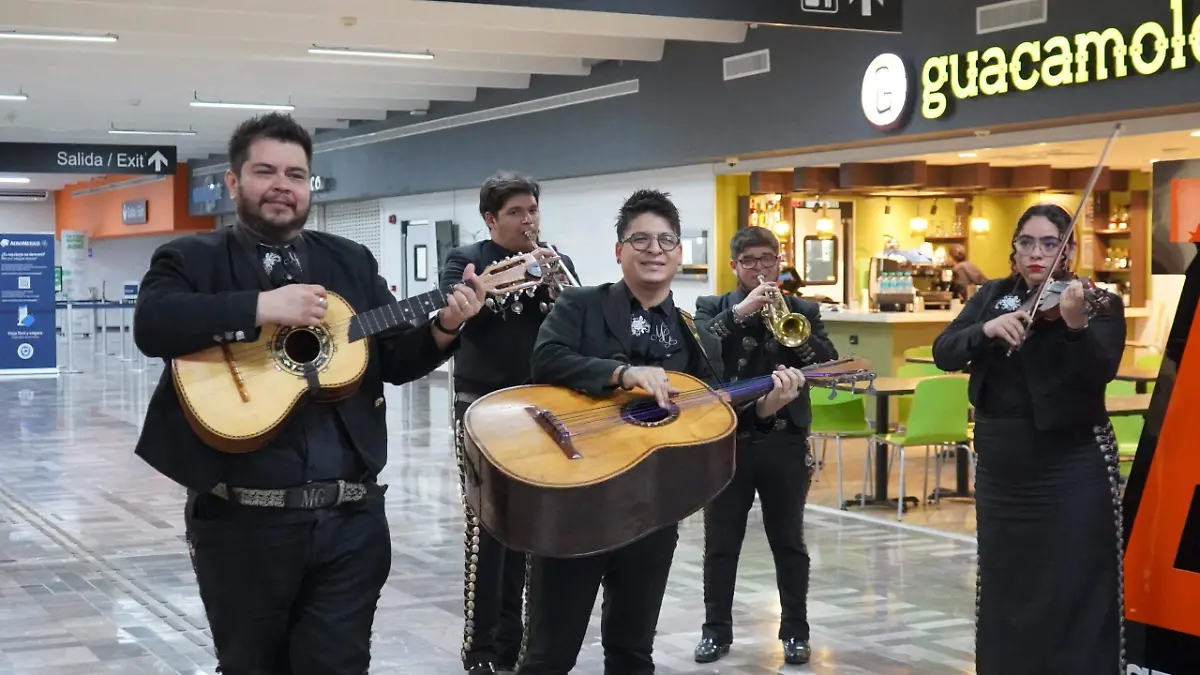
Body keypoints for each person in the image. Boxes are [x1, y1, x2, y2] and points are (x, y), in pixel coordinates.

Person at [132, 113, 485, 675]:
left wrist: (444, 327)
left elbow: (391, 359)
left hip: (351, 519)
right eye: (265, 171)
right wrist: (260, 307)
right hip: (243, 525)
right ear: (233, 182)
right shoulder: (192, 259)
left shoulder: (349, 260)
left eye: (296, 174)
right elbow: (153, 324)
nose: (282, 185)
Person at [516, 190, 806, 675]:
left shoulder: (696, 334)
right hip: (573, 505)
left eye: (666, 240)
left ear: (679, 253)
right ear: (619, 251)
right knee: (549, 656)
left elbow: (712, 418)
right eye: (641, 239)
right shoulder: (580, 305)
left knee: (632, 654)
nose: (654, 249)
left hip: (649, 511)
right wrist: (622, 374)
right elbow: (546, 359)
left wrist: (764, 409)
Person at [931, 203, 1125, 675]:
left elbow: (1100, 371)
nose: (1037, 253)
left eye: (1050, 243)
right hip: (1004, 467)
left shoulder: (1097, 301)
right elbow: (945, 351)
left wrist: (1076, 328)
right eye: (1027, 243)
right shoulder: (992, 295)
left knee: (1075, 580)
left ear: (1068, 250)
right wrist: (985, 330)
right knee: (1006, 582)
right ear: (1014, 249)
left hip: (1071, 463)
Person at [441, 171, 579, 675]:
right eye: (517, 212)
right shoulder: (466, 259)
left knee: (528, 527)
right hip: (481, 408)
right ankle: (480, 651)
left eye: (533, 210)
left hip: (540, 408)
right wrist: (523, 270)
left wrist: (562, 284)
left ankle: (514, 644)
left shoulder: (555, 258)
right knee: (487, 529)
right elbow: (458, 308)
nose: (528, 220)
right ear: (490, 218)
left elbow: (577, 323)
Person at [691, 226, 839, 666]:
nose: (760, 268)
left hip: (784, 441)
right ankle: (715, 630)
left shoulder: (802, 308)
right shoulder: (712, 307)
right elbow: (699, 354)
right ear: (735, 266)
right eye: (750, 261)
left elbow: (829, 364)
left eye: (767, 260)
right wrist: (739, 313)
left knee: (788, 540)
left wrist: (797, 333)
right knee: (721, 541)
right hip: (727, 439)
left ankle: (795, 630)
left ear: (779, 261)